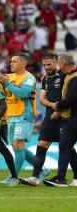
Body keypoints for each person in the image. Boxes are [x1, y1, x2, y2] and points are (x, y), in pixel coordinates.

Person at [21, 54, 77, 186]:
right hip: (49, 117)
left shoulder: (65, 76)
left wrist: (58, 110)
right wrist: (52, 106)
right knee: (42, 145)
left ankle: (75, 178)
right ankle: (35, 177)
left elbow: (68, 97)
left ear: (56, 63)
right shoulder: (45, 79)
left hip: (63, 117)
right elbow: (41, 99)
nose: (47, 67)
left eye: (49, 64)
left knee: (68, 148)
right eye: (44, 65)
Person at [0, 53, 37, 183]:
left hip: (24, 115)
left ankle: (14, 176)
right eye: (11, 61)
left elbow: (23, 93)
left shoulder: (29, 78)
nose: (11, 63)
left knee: (18, 145)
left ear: (23, 64)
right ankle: (41, 169)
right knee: (18, 147)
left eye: (14, 61)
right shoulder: (9, 77)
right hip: (11, 116)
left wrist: (6, 83)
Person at [44, 54, 77, 186]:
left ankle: (61, 178)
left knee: (65, 146)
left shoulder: (74, 78)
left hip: (73, 118)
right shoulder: (69, 76)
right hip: (71, 118)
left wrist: (57, 106)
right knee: (66, 146)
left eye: (59, 63)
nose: (57, 65)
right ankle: (65, 178)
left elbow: (71, 98)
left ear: (64, 63)